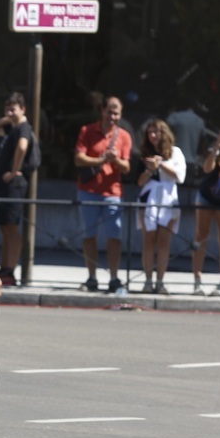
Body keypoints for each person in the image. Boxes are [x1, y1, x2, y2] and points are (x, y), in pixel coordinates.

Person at [73, 96, 132, 293]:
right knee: (89, 236)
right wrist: (100, 160)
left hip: (112, 193)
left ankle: (114, 277)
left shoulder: (124, 136)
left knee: (114, 237)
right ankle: (92, 277)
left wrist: (115, 160)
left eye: (116, 113)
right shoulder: (87, 131)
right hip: (88, 191)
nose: (112, 116)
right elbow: (78, 159)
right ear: (102, 111)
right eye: (110, 112)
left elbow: (126, 167)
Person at [135, 119, 186, 294]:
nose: (153, 136)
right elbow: (139, 181)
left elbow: (180, 176)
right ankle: (148, 281)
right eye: (150, 133)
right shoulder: (145, 153)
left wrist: (161, 164)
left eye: (156, 132)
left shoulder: (175, 153)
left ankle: (160, 282)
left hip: (168, 202)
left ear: (164, 133)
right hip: (148, 201)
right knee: (149, 241)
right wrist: (149, 169)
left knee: (164, 243)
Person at [0, 93, 31, 286]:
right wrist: (9, 117)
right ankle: (5, 267)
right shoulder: (11, 128)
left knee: (11, 228)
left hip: (14, 186)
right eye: (7, 109)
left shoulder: (23, 128)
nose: (10, 113)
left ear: (23, 109)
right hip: (3, 186)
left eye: (14, 109)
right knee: (4, 227)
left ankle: (10, 269)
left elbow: (22, 147)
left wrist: (14, 171)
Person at [192, 131, 220, 297]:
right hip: (206, 196)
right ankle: (197, 282)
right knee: (201, 237)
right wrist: (216, 149)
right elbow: (207, 169)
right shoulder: (216, 150)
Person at [165, 97, 206, 168]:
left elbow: (165, 130)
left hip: (172, 157)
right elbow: (203, 141)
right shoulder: (200, 121)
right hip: (190, 161)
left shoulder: (175, 116)